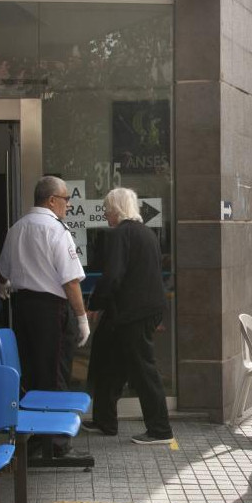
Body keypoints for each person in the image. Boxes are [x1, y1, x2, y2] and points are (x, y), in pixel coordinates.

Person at [0, 176, 90, 458]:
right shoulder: (56, 230)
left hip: (23, 307)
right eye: (65, 199)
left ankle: (37, 436)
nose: (68, 205)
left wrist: (5, 286)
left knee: (34, 372)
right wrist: (82, 317)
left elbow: (2, 271)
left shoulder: (16, 229)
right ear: (51, 201)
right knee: (56, 373)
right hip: (52, 309)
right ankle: (58, 444)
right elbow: (71, 281)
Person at [85, 188, 173, 444]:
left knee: (143, 369)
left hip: (131, 311)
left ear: (116, 209)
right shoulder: (147, 234)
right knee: (110, 361)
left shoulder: (118, 235)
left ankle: (160, 430)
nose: (105, 214)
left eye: (106, 209)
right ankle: (105, 420)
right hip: (141, 309)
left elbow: (112, 276)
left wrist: (94, 304)